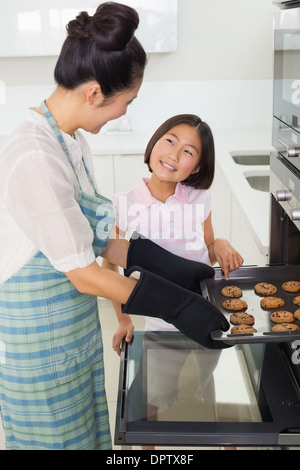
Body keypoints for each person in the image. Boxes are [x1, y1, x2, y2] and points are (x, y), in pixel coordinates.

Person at [0, 4, 230, 450]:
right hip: (41, 339)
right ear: (93, 93)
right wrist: (178, 307)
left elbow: (98, 237)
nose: (123, 113)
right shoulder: (34, 155)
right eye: (127, 101)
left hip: (73, 326)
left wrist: (178, 270)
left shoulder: (69, 140)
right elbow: (84, 272)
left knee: (86, 433)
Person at [103, 114, 243, 450]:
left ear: (195, 168)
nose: (174, 154)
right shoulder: (124, 204)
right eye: (169, 140)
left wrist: (219, 243)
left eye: (189, 151)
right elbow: (108, 265)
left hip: (207, 315)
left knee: (214, 387)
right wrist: (123, 318)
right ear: (154, 143)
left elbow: (205, 253)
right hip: (161, 324)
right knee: (154, 399)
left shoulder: (199, 199)